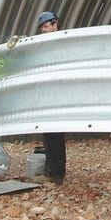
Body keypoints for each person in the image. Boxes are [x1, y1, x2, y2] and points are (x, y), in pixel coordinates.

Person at [33, 10, 67, 184]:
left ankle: (54, 174)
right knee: (49, 132)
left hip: (57, 95)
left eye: (47, 26)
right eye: (42, 28)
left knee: (54, 133)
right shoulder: (45, 44)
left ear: (55, 25)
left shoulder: (62, 42)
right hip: (48, 95)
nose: (45, 30)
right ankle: (52, 171)